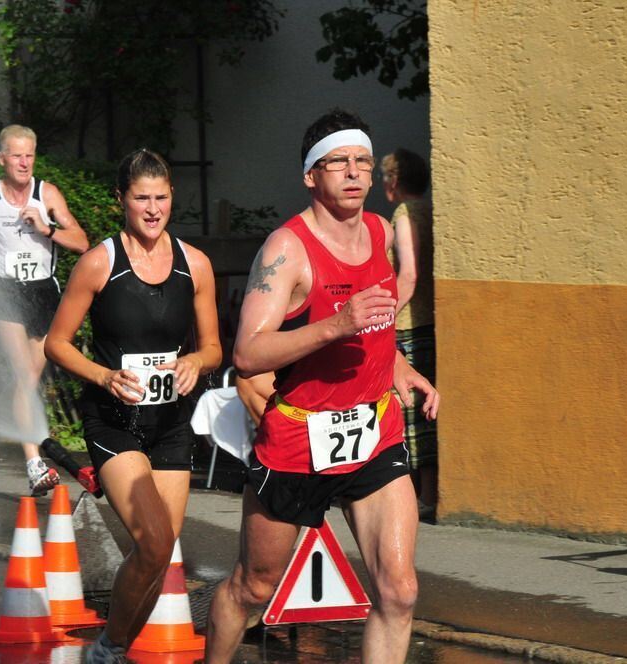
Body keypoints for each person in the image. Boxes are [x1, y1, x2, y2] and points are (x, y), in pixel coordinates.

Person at [205, 109, 439, 664]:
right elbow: (247, 353)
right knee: (253, 589)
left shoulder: (381, 232)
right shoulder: (287, 249)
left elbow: (375, 329)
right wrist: (337, 322)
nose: (354, 173)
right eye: (339, 163)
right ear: (312, 175)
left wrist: (403, 371)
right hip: (296, 443)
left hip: (373, 433)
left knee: (399, 592)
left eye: (362, 161)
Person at [45, 148, 221, 664]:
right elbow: (57, 342)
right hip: (114, 420)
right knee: (153, 540)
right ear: (122, 200)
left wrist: (196, 362)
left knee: (161, 553)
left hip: (169, 423)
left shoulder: (196, 265)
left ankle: (115, 648)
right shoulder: (99, 263)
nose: (152, 208)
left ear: (172, 197)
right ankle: (109, 649)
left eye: (161, 197)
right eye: (141, 197)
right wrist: (103, 375)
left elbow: (214, 347)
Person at [0, 124, 89, 495]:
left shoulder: (48, 194)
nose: (24, 162)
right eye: (16, 155)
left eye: (29, 155)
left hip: (43, 293)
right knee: (25, 376)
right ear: (1, 158)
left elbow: (82, 242)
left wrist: (47, 228)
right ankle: (34, 463)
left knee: (26, 381)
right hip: (6, 294)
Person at [383, 148, 439, 517]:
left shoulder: (404, 213)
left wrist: (385, 314)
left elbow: (410, 272)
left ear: (395, 182)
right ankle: (427, 493)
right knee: (425, 411)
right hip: (429, 320)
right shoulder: (432, 209)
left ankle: (421, 495)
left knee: (407, 409)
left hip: (407, 323)